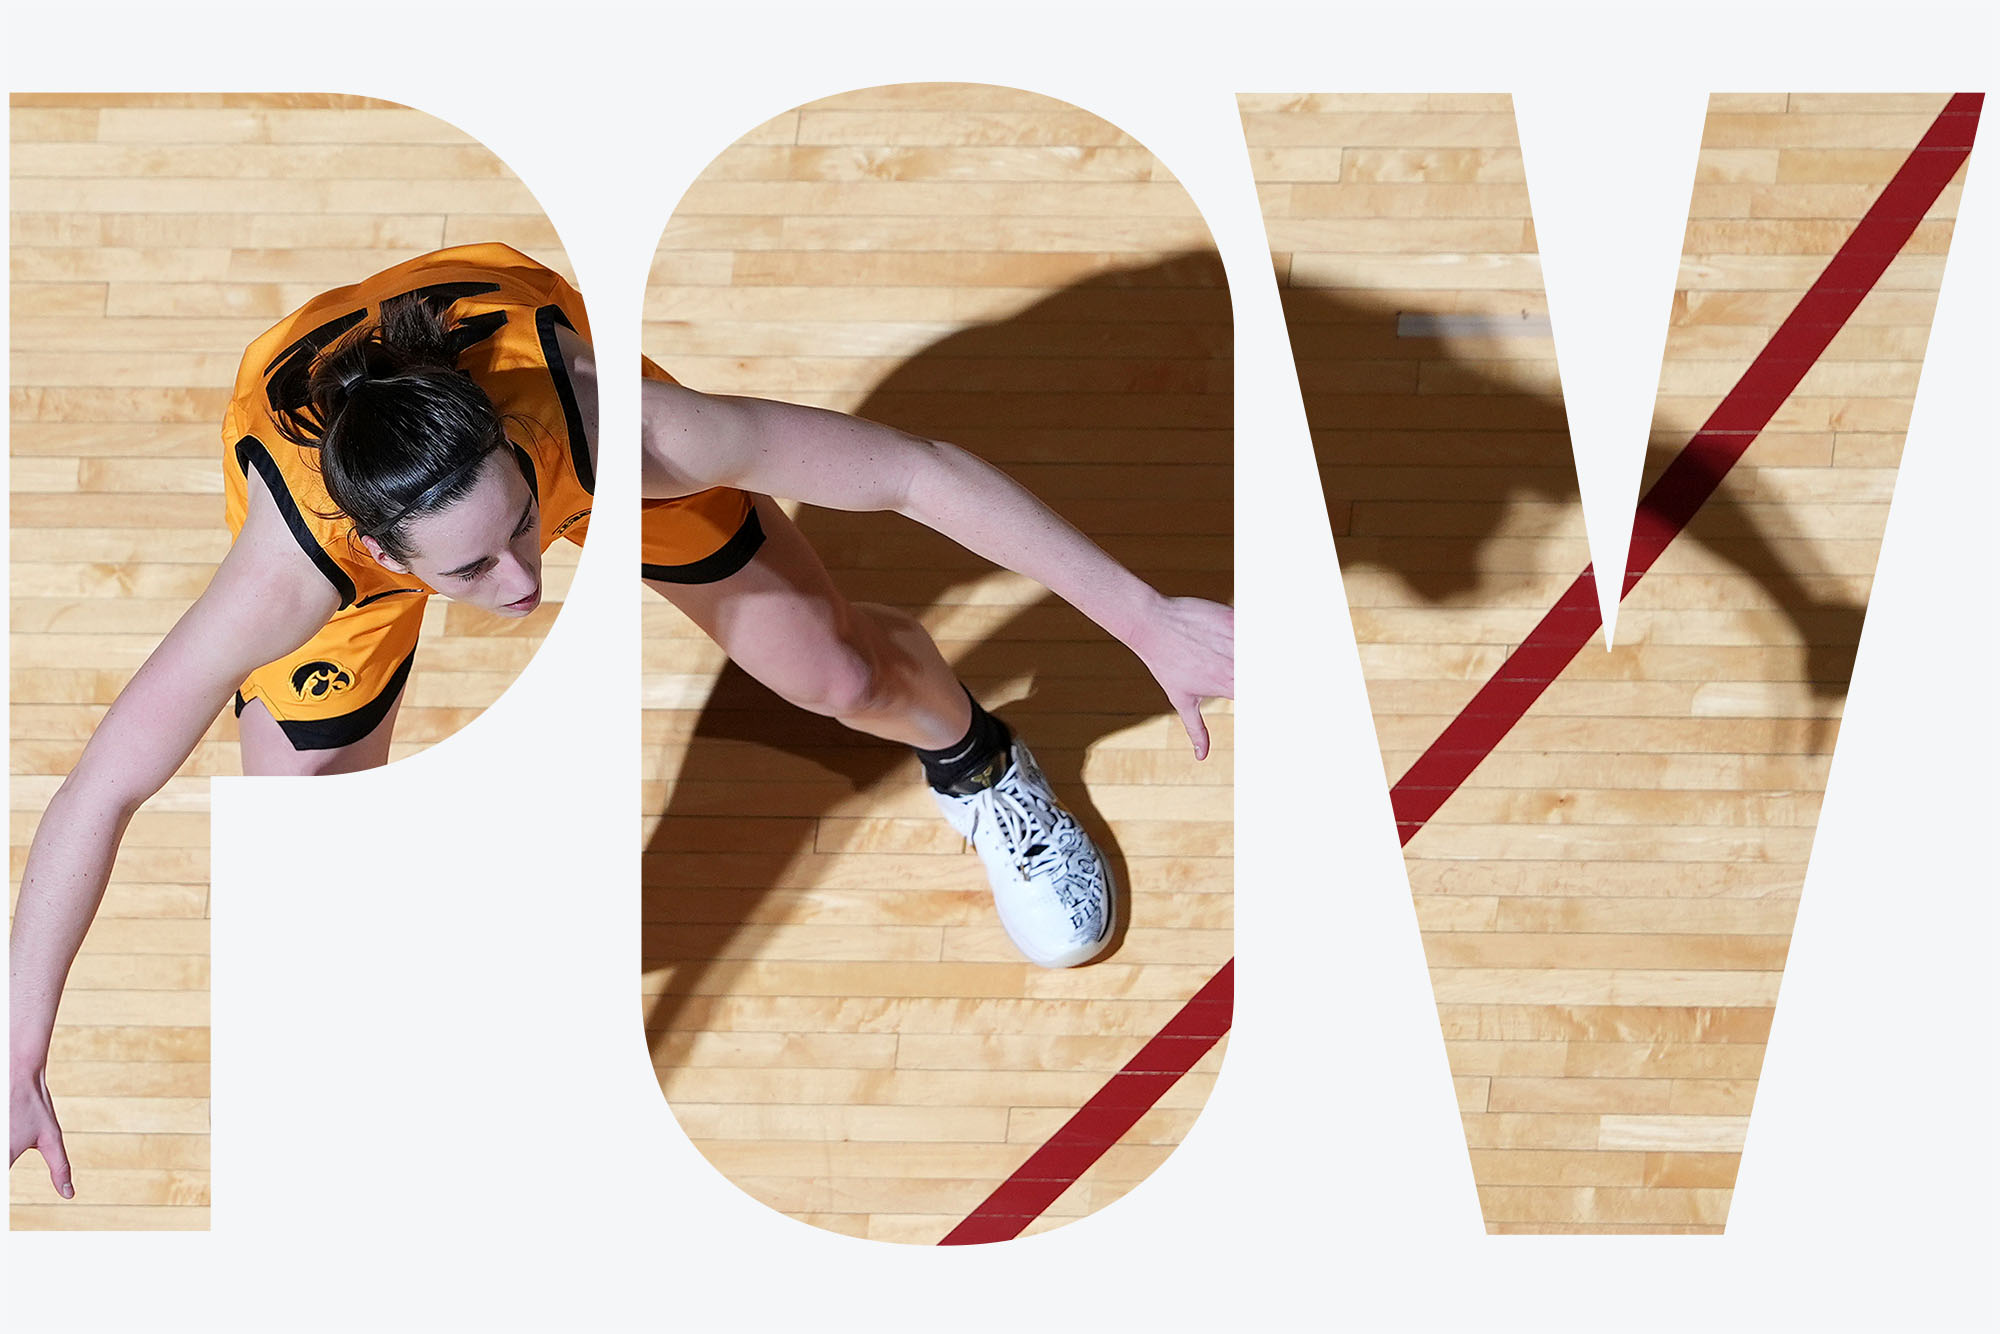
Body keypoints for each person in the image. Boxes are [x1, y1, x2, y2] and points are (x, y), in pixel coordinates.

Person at [8, 242, 1235, 1200]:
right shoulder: (291, 571)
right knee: (312, 862)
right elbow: (100, 790)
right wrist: (18, 1043)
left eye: (518, 536)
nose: (526, 585)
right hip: (355, 475)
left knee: (835, 672)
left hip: (541, 408)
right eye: (474, 570)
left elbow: (909, 467)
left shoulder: (606, 423)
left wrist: (1140, 615)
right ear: (378, 552)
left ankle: (978, 759)